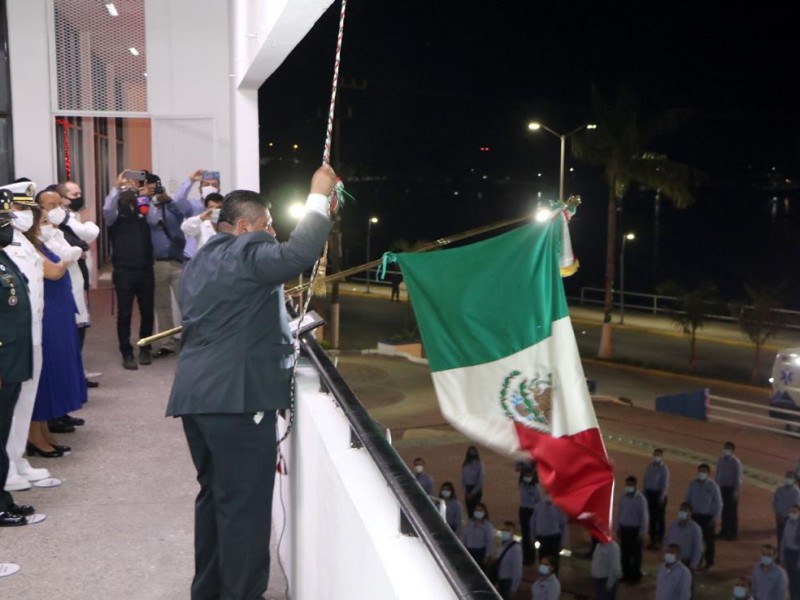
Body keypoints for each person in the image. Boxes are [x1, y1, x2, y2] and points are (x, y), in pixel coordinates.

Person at [165, 165, 336, 599]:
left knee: (215, 500)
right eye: (267, 225)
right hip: (236, 403)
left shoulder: (201, 258)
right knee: (245, 509)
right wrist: (318, 198)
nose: (272, 232)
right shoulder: (245, 253)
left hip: (196, 398)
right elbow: (297, 256)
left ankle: (208, 590)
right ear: (244, 227)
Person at [25, 201, 86, 457]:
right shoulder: (28, 247)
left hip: (58, 313)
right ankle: (34, 438)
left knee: (52, 371)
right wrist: (65, 261)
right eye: (42, 221)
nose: (47, 225)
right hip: (46, 316)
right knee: (43, 376)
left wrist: (64, 261)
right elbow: (55, 271)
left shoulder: (41, 244)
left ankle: (43, 432)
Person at [1, 183, 51, 490]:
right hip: (14, 336)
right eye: (15, 210)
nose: (22, 215)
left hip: (32, 332)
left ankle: (17, 458)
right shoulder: (8, 244)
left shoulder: (23, 240)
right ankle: (5, 468)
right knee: (10, 405)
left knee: (24, 401)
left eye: (23, 209)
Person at [36, 188, 90, 433]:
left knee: (69, 356)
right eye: (49, 205)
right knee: (55, 358)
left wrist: (72, 253)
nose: (55, 209)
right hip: (50, 303)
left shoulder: (57, 229)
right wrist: (72, 254)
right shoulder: (40, 236)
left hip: (65, 297)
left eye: (59, 204)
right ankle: (52, 415)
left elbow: (77, 248)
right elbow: (63, 259)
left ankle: (63, 409)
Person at [0, 191, 37, 526]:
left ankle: (3, 498)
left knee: (2, 430)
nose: (6, 228)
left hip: (11, 360)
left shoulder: (4, 257)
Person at [102, 171, 155, 370]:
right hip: (124, 270)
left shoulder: (143, 208)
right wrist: (118, 188)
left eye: (133, 184)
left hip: (145, 268)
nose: (131, 187)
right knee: (124, 313)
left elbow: (155, 220)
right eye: (127, 184)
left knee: (147, 311)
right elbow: (107, 208)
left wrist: (146, 198)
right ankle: (126, 352)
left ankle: (145, 347)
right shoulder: (115, 213)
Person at [54, 179, 101, 389]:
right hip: (67, 284)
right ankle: (74, 378)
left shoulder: (70, 217)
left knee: (80, 329)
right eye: (74, 194)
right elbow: (88, 235)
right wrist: (81, 245)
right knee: (74, 331)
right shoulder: (62, 220)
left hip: (79, 282)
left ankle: (77, 374)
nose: (78, 198)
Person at [145, 172, 192, 358]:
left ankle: (192, 340)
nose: (151, 189)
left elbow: (181, 217)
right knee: (162, 305)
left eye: (153, 186)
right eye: (147, 186)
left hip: (176, 261)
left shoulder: (169, 205)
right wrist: (145, 200)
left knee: (186, 303)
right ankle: (167, 343)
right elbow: (149, 221)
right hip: (156, 263)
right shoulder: (144, 207)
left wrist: (167, 200)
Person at [684, 463, 722, 570]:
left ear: (708, 473)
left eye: (704, 471)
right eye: (700, 471)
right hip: (695, 516)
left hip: (707, 517)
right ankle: (697, 560)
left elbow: (719, 503)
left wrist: (715, 518)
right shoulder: (693, 484)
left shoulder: (713, 485)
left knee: (709, 541)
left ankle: (709, 562)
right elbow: (687, 498)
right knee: (696, 540)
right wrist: (687, 513)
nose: (702, 473)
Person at [616, 475, 648, 584]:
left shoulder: (640, 499)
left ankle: (635, 576)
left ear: (635, 486)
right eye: (627, 484)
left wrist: (641, 533)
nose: (627, 487)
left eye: (630, 485)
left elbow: (644, 517)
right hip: (624, 528)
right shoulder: (623, 497)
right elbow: (620, 513)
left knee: (635, 555)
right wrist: (618, 527)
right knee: (624, 553)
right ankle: (626, 574)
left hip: (635, 530)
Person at [530, 493, 568, 574]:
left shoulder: (558, 507)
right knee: (542, 560)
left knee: (553, 562)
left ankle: (552, 580)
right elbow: (533, 523)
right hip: (542, 539)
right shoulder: (538, 506)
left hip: (553, 539)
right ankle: (543, 578)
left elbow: (563, 525)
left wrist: (562, 542)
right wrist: (533, 538)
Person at [180, 192, 224, 257]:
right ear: (206, 208)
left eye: (218, 208)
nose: (215, 211)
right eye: (211, 208)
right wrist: (201, 218)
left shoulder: (229, 224)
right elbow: (185, 228)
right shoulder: (201, 224)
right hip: (204, 263)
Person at [643, 447, 669, 549]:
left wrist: (662, 497)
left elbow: (665, 484)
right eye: (655, 455)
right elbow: (645, 481)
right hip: (649, 494)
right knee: (651, 517)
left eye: (658, 455)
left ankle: (659, 538)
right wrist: (644, 493)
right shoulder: (649, 467)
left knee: (659, 517)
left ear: (662, 457)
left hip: (659, 495)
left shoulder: (664, 469)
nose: (656, 457)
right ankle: (652, 537)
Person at [665, 502, 703, 571]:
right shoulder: (673, 525)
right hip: (673, 560)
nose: (682, 512)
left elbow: (697, 548)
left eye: (685, 510)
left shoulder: (695, 528)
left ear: (690, 512)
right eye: (681, 510)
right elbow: (668, 540)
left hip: (686, 562)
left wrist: (693, 565)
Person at [717, 441, 743, 540]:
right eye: (725, 447)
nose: (725, 450)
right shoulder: (721, 460)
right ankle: (724, 530)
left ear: (732, 450)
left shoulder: (736, 462)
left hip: (731, 489)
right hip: (721, 488)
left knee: (731, 512)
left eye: (728, 448)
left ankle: (732, 533)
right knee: (723, 511)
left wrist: (736, 491)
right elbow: (718, 474)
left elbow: (738, 478)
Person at [490, 520, 522, 599]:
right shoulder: (502, 545)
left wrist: (513, 588)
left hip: (508, 582)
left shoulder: (515, 548)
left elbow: (517, 570)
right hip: (501, 581)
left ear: (513, 533)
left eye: (507, 530)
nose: (505, 532)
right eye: (503, 530)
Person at [519, 466, 541, 564]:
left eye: (529, 475)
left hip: (532, 512)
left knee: (531, 535)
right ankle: (526, 555)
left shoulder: (536, 488)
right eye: (525, 475)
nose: (526, 477)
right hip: (523, 510)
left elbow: (538, 501)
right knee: (524, 534)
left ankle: (531, 557)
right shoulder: (522, 485)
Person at [775, 471, 800, 550]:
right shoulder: (779, 489)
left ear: (794, 480)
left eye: (790, 477)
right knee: (780, 537)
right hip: (779, 517)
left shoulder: (796, 492)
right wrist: (778, 513)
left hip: (790, 518)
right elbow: (774, 502)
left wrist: (787, 515)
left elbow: (796, 506)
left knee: (790, 538)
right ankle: (779, 555)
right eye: (787, 477)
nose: (788, 479)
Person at [781, 505, 800, 600]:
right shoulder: (788, 522)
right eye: (791, 511)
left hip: (797, 554)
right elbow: (784, 540)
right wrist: (782, 557)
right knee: (791, 580)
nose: (792, 513)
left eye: (794, 511)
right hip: (788, 552)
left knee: (797, 581)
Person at [461, 445, 484, 518]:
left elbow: (480, 480)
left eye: (473, 452)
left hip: (476, 489)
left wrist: (473, 492)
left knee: (476, 509)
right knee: (469, 510)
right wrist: (466, 491)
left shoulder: (479, 464)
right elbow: (463, 478)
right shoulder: (465, 465)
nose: (472, 454)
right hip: (467, 489)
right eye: (470, 452)